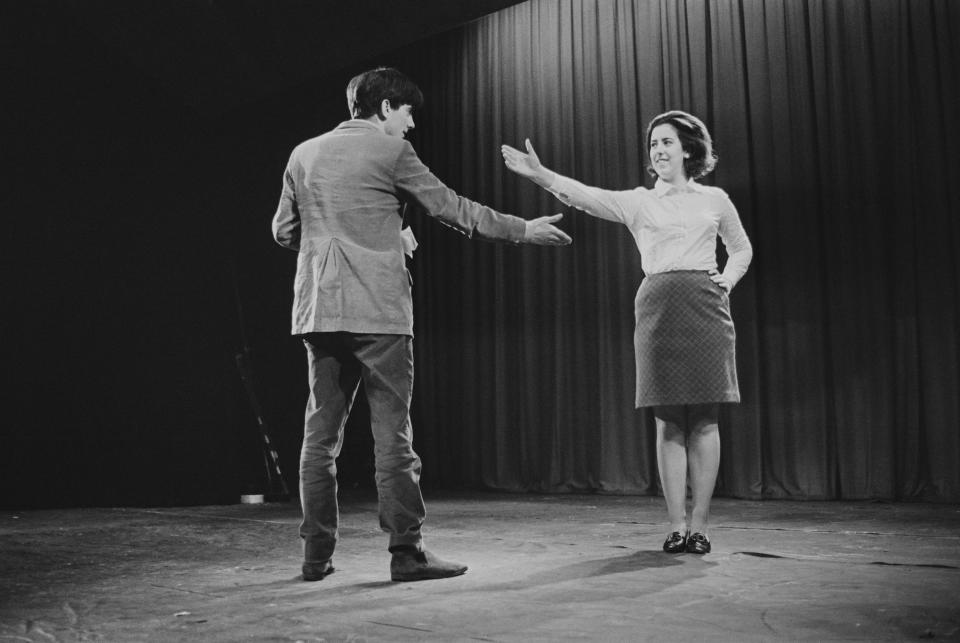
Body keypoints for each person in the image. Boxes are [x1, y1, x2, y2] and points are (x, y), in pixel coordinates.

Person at [272, 67, 571, 583]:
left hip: (318, 310)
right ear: (386, 107)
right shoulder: (391, 152)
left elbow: (284, 232)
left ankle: (314, 556)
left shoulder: (303, 152)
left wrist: (342, 246)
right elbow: (453, 209)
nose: (410, 125)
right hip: (379, 312)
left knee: (318, 438)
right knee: (393, 436)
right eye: (408, 113)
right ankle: (406, 554)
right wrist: (524, 229)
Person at [501, 110, 752, 555]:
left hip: (705, 308)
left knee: (706, 418)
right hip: (657, 308)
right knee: (669, 420)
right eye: (654, 144)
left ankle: (701, 526)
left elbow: (740, 248)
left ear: (689, 149)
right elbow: (584, 196)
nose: (658, 150)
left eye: (667, 142)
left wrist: (726, 281)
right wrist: (541, 176)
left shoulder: (714, 199)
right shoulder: (639, 201)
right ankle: (676, 526)